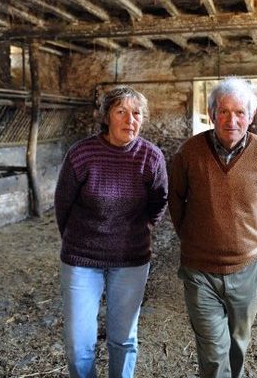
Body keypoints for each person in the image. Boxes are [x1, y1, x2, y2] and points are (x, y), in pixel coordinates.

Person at [168, 77, 257, 378]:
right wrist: (192, 237)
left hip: (247, 269)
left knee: (238, 343)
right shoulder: (189, 153)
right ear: (212, 114)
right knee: (212, 350)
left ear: (250, 116)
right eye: (223, 111)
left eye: (239, 112)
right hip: (199, 271)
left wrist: (254, 241)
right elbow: (176, 197)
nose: (231, 120)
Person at [54, 85, 168, 378]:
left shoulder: (151, 157)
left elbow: (159, 203)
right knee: (79, 344)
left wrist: (137, 232)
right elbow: (62, 204)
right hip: (81, 258)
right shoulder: (81, 154)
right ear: (107, 117)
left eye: (136, 113)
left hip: (130, 258)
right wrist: (79, 239)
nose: (130, 119)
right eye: (121, 112)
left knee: (123, 338)